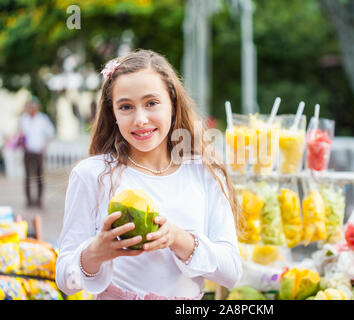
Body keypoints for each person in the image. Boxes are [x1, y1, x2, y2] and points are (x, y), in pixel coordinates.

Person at [56, 49, 243, 300]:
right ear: (113, 113)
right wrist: (95, 252)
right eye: (125, 107)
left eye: (151, 103)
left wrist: (178, 239)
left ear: (173, 104)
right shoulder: (92, 174)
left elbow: (231, 272)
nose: (140, 119)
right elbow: (64, 280)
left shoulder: (204, 172)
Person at [18, 96, 55, 208]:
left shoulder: (42, 119)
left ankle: (39, 200)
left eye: (33, 107)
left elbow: (51, 133)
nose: (32, 109)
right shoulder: (23, 119)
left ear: (37, 107)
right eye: (30, 106)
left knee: (39, 176)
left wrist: (44, 145)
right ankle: (29, 200)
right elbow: (20, 133)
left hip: (38, 151)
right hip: (28, 151)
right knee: (28, 176)